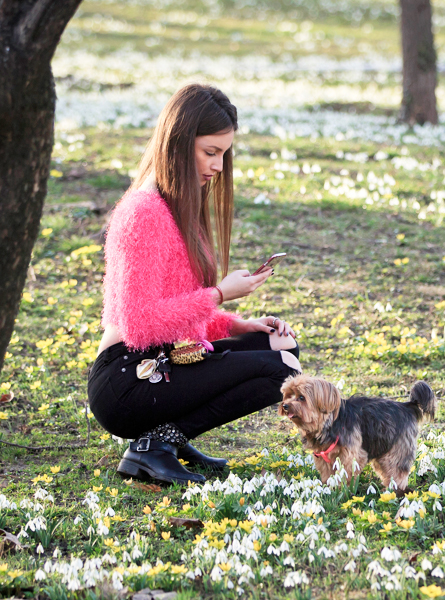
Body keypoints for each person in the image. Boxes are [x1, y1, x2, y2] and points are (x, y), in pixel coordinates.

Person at [88, 84, 302, 485]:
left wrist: (238, 325)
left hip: (168, 358)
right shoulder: (143, 213)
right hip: (127, 377)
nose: (219, 166)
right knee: (281, 371)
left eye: (224, 154)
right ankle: (156, 444)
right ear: (179, 143)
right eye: (211, 152)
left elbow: (180, 313)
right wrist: (219, 293)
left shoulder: (178, 206)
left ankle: (167, 437)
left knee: (282, 348)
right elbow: (141, 325)